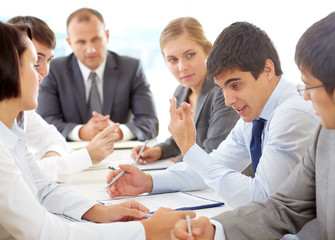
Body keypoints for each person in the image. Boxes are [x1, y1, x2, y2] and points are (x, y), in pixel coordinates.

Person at [171, 9, 335, 240]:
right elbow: (284, 206)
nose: (306, 97)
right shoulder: (328, 135)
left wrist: (189, 148)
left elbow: (261, 196)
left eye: (310, 87)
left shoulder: (294, 112)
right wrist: (216, 230)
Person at [0, 21, 194, 240]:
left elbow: (43, 188)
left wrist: (100, 211)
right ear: (9, 68)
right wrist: (145, 231)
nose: (41, 74)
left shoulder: (12, 131)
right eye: (34, 63)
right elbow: (47, 233)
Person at [7, 16, 119, 182]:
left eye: (49, 60)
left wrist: (53, 158)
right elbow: (20, 174)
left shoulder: (22, 108)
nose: (45, 70)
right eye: (36, 60)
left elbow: (53, 138)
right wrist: (88, 155)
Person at [36, 8, 158, 141]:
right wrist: (81, 132)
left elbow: (150, 122)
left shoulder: (131, 68)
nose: (90, 49)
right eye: (81, 42)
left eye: (96, 39)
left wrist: (118, 132)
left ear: (107, 36)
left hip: (119, 153)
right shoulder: (54, 70)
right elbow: (44, 125)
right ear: (70, 43)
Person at [131, 17, 239, 164]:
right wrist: (159, 150)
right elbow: (182, 140)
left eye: (190, 55)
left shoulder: (222, 91)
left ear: (208, 50)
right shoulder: (182, 91)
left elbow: (214, 152)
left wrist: (182, 161)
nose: (182, 67)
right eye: (173, 60)